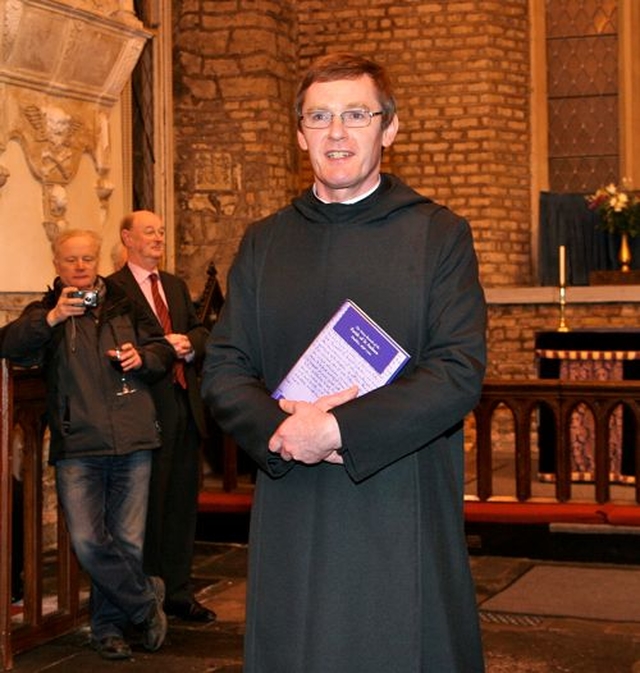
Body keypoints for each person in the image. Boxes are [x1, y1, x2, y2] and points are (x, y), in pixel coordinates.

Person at [201, 52, 487, 672]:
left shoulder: (438, 234)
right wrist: (284, 431)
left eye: (356, 115)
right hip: (294, 492)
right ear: (299, 134)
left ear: (389, 128)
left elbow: (458, 368)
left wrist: (336, 429)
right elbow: (224, 367)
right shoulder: (265, 241)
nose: (337, 133)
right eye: (319, 117)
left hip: (398, 497)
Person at [0, 229, 173, 660]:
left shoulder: (124, 303)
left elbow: (162, 348)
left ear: (97, 261)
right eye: (71, 260)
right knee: (88, 542)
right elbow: (8, 344)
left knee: (127, 543)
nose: (80, 266)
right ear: (56, 265)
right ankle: (144, 599)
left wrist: (145, 358)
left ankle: (107, 629)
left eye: (88, 259)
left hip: (133, 437)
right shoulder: (46, 311)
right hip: (78, 444)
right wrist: (52, 319)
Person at [110, 210, 216, 623]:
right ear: (126, 238)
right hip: (143, 409)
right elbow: (124, 344)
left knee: (180, 505)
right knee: (146, 508)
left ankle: (178, 591)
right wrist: (164, 348)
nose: (158, 237)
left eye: (161, 231)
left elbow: (203, 330)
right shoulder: (113, 288)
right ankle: (143, 596)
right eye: (149, 231)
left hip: (184, 407)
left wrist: (189, 343)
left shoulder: (172, 284)